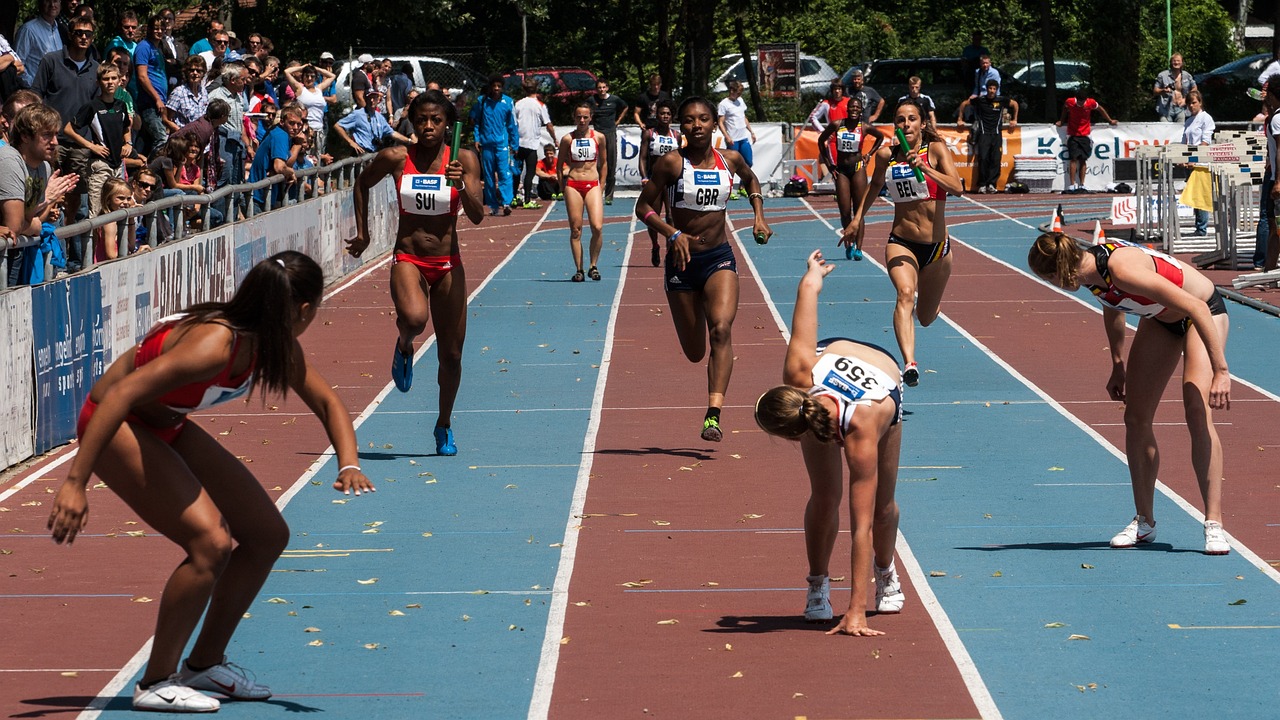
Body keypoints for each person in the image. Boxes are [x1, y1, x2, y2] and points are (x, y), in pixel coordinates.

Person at [47, 251, 375, 712]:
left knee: (266, 535)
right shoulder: (215, 346)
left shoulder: (272, 344)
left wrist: (348, 464)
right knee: (211, 544)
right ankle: (155, 681)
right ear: (303, 310)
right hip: (115, 420)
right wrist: (75, 482)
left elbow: (328, 404)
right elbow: (119, 394)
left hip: (166, 422)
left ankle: (202, 664)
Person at [1027, 233, 1232, 555]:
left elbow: (1194, 306)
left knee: (1195, 407)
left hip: (1202, 313)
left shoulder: (1121, 269)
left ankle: (1214, 523)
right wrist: (1118, 364)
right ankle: (1144, 521)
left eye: (1047, 279)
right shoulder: (1091, 275)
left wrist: (1221, 371)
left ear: (1060, 270)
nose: (1050, 285)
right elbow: (1114, 306)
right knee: (1136, 418)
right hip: (1161, 320)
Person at [754, 249, 905, 635]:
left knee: (882, 507)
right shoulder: (797, 375)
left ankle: (885, 572)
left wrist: (856, 610)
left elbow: (861, 525)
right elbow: (807, 293)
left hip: (879, 377)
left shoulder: (862, 429)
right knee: (824, 497)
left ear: (794, 433)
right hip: (830, 371)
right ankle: (817, 585)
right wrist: (813, 273)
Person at [348, 90, 484, 456]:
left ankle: (443, 426)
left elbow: (477, 214)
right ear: (411, 120)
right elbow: (361, 183)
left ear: (446, 124)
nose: (427, 126)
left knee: (452, 355)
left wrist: (460, 185)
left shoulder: (464, 159)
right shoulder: (396, 157)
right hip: (408, 257)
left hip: (448, 263)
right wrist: (364, 233)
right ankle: (404, 345)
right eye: (421, 119)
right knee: (414, 318)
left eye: (436, 120)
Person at [634, 96, 772, 440]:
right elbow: (642, 207)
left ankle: (714, 414)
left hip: (718, 258)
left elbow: (751, 180)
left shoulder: (731, 159)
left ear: (715, 123)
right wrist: (671, 233)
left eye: (704, 119)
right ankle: (708, 388)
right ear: (682, 127)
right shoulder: (671, 164)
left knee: (722, 330)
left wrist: (758, 215)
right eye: (690, 121)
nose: (697, 126)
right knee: (696, 352)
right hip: (682, 264)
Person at [845, 98, 964, 387]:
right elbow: (875, 187)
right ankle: (910, 363)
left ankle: (931, 305)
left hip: (936, 249)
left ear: (923, 123)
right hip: (901, 242)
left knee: (924, 317)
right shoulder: (888, 156)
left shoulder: (935, 150)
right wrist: (857, 219)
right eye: (900, 119)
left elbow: (957, 187)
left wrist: (925, 167)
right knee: (905, 294)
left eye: (912, 119)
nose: (906, 124)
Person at [1, 104, 78, 287]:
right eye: (46, 135)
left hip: (14, 252)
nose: (55, 142)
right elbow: (15, 225)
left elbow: (35, 219)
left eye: (56, 134)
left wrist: (47, 202)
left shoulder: (44, 166)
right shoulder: (9, 160)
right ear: (25, 137)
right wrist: (42, 207)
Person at [818, 96, 884, 261]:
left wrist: (869, 154)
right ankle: (849, 244)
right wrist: (829, 164)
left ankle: (859, 248)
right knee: (845, 211)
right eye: (852, 107)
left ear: (861, 110)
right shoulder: (837, 125)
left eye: (857, 107)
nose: (854, 109)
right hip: (841, 171)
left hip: (858, 169)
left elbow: (880, 137)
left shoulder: (865, 127)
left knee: (859, 211)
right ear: (847, 109)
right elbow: (821, 141)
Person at [63, 61, 131, 218]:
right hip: (100, 165)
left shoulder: (121, 105)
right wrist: (91, 146)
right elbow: (68, 129)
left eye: (113, 78)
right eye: (106, 79)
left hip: (118, 165)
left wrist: (128, 143)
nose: (110, 83)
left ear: (120, 80)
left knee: (118, 211)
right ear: (98, 82)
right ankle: (93, 243)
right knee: (97, 213)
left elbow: (126, 127)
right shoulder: (92, 106)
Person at [557, 102, 607, 282]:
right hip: (573, 185)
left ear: (591, 118)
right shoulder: (567, 139)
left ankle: (593, 265)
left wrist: (601, 185)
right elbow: (559, 163)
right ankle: (579, 269)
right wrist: (563, 186)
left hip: (593, 184)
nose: (582, 120)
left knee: (597, 227)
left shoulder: (599, 137)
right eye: (579, 117)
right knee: (576, 230)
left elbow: (604, 163)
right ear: (574, 117)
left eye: (585, 116)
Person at [638, 98, 681, 267]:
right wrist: (644, 177)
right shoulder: (649, 133)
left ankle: (670, 251)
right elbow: (642, 158)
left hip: (671, 182)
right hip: (655, 181)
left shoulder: (677, 136)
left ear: (672, 117)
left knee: (671, 217)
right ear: (657, 115)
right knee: (653, 217)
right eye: (662, 113)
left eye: (668, 114)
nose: (665, 116)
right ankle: (655, 245)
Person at [957, 78, 1019, 194]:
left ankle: (992, 184)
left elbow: (1015, 104)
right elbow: (964, 104)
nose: (992, 91)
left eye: (994, 89)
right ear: (987, 89)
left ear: (996, 90)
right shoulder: (980, 100)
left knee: (996, 159)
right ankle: (982, 185)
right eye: (990, 88)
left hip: (996, 134)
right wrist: (960, 119)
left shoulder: (1001, 100)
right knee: (983, 159)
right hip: (984, 134)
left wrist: (1014, 120)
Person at [469, 75, 518, 216]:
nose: (496, 89)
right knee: (489, 176)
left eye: (499, 86)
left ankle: (506, 202)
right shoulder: (482, 101)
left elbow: (512, 125)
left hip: (502, 144)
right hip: (486, 144)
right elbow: (476, 121)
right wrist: (477, 139)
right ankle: (493, 205)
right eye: (494, 86)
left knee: (504, 172)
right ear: (490, 86)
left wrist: (514, 144)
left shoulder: (508, 102)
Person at [1056, 86, 1117, 194]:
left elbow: (1100, 109)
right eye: (1079, 102)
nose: (1080, 104)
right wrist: (1061, 121)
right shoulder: (1070, 102)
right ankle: (1072, 184)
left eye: (1082, 102)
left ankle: (1082, 184)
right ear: (1076, 99)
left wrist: (1110, 120)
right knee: (1073, 158)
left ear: (1085, 100)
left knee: (1083, 160)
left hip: (1085, 134)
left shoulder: (1091, 103)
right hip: (1073, 134)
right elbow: (1064, 109)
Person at [248, 104, 308, 211]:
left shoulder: (282, 135)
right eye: (291, 123)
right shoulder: (281, 135)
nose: (295, 128)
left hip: (263, 196)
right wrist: (289, 172)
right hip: (258, 197)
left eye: (299, 124)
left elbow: (284, 163)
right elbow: (279, 167)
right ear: (282, 122)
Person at [513, 79, 555, 209]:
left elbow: (513, 123)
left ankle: (514, 198)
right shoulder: (540, 105)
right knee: (529, 173)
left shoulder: (518, 104)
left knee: (517, 172)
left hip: (519, 142)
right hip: (531, 144)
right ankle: (526, 200)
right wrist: (555, 138)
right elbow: (548, 124)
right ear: (536, 89)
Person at [133, 13, 170, 156]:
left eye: (162, 28)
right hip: (149, 103)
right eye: (156, 28)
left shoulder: (158, 49)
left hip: (158, 102)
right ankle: (153, 171)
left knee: (145, 141)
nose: (159, 31)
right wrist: (156, 98)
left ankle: (139, 169)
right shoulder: (144, 47)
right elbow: (142, 76)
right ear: (149, 29)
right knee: (161, 138)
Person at [334, 88, 411, 155]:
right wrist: (351, 142)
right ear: (365, 99)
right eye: (369, 98)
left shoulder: (380, 117)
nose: (371, 100)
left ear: (378, 100)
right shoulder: (358, 114)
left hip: (374, 152)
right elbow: (338, 126)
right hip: (361, 152)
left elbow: (392, 133)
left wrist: (409, 140)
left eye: (374, 98)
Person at [586, 78, 627, 204]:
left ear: (607, 88)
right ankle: (597, 192)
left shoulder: (614, 99)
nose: (602, 90)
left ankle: (609, 195)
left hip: (610, 132)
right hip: (597, 133)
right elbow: (585, 110)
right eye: (599, 88)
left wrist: (618, 121)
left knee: (611, 163)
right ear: (596, 89)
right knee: (597, 164)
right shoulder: (592, 100)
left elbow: (625, 107)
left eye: (604, 87)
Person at [282, 63, 334, 156]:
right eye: (307, 76)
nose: (309, 78)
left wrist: (316, 68)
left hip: (319, 129)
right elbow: (286, 72)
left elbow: (332, 76)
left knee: (318, 157)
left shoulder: (319, 89)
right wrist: (302, 67)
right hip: (305, 129)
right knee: (305, 155)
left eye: (312, 76)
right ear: (303, 77)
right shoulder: (300, 88)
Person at [1182, 90, 1215, 236]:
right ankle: (1198, 226)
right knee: (1194, 195)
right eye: (1189, 103)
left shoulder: (1206, 118)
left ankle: (1202, 228)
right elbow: (1185, 141)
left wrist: (1194, 158)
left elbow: (1205, 141)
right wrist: (1183, 158)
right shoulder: (1188, 120)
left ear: (1200, 103)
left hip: (1201, 162)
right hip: (1190, 162)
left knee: (1201, 195)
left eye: (1194, 102)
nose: (1191, 106)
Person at [717, 80, 756, 196]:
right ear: (731, 91)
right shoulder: (724, 104)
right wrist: (727, 136)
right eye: (737, 93)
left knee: (748, 162)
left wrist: (751, 132)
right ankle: (729, 189)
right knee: (732, 164)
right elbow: (721, 122)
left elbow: (743, 117)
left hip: (743, 137)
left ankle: (742, 186)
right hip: (733, 139)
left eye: (740, 93)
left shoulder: (740, 101)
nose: (739, 95)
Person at [807, 80, 849, 184]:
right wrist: (823, 132)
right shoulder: (826, 104)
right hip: (834, 139)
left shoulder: (849, 101)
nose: (837, 91)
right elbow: (813, 117)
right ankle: (836, 185)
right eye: (835, 89)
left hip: (848, 137)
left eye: (839, 89)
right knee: (834, 162)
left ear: (842, 90)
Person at [14, 0, 63, 87]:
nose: (52, 5)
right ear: (40, 3)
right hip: (35, 94)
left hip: (55, 92)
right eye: (48, 1)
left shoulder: (59, 29)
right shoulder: (28, 30)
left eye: (55, 1)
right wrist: (34, 86)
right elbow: (17, 65)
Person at [91, 176, 138, 262]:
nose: (126, 202)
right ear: (108, 200)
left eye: (128, 198)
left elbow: (131, 245)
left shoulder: (120, 219)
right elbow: (111, 256)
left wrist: (131, 218)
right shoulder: (110, 222)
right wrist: (137, 254)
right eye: (120, 198)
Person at [163, 54, 208, 133]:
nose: (195, 73)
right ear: (186, 72)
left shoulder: (204, 92)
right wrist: (181, 132)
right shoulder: (179, 92)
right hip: (184, 140)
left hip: (201, 139)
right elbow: (166, 119)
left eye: (198, 70)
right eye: (191, 70)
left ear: (203, 73)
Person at [1154, 53, 1196, 123]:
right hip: (1166, 109)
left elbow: (1194, 88)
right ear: (1171, 62)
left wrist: (1186, 100)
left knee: (1179, 131)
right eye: (1174, 61)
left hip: (1181, 108)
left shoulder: (1187, 76)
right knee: (1165, 131)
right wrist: (1163, 91)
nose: (1176, 62)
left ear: (1182, 62)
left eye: (1178, 61)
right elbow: (1155, 91)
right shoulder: (1162, 75)